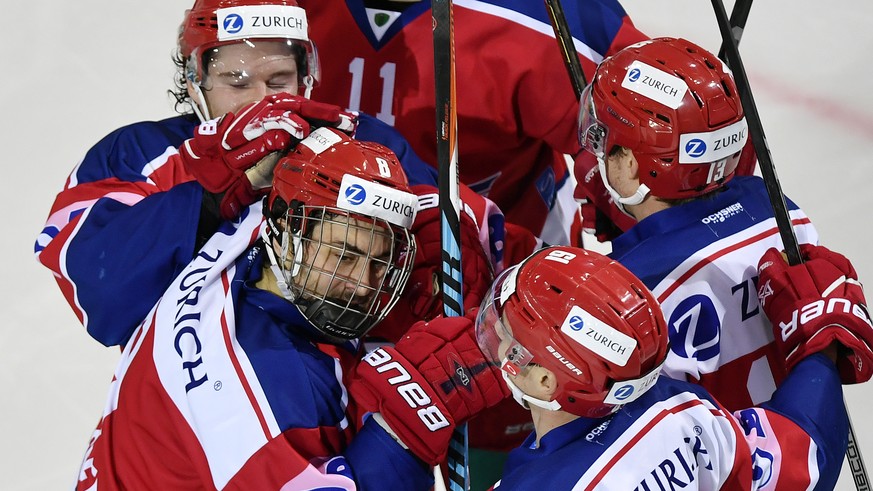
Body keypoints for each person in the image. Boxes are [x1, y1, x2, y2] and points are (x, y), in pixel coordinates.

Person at [74, 129, 508, 490]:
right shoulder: (267, 391)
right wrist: (405, 425)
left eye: (380, 261)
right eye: (343, 253)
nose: (361, 284)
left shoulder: (242, 236)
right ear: (286, 230)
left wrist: (437, 212)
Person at [470, 244, 872, 489]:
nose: (497, 338)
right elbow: (804, 456)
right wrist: (821, 344)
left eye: (507, 332)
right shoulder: (678, 412)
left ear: (544, 380)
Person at [576, 36, 824, 410]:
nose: (594, 149)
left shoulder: (624, 294)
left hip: (720, 467)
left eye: (603, 139)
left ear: (631, 165)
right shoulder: (780, 210)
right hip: (800, 434)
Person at [298, 0, 652, 247]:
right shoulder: (276, 6)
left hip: (499, 266)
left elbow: (662, 140)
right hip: (302, 254)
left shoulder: (543, 18)